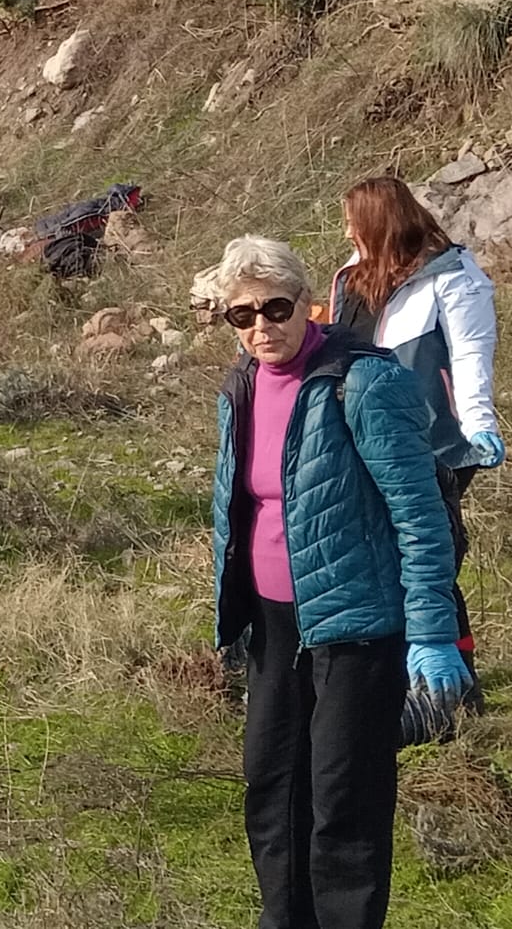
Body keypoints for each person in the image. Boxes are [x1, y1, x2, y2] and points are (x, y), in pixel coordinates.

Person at [206, 235, 464, 929]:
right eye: (242, 315)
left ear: (306, 303)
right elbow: (240, 503)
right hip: (273, 622)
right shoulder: (242, 385)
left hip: (358, 624)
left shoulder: (363, 381)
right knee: (272, 786)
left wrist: (433, 630)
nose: (262, 327)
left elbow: (419, 514)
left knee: (344, 798)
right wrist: (231, 609)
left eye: (276, 308)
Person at [330, 175, 503, 694]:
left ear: (379, 224)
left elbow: (471, 353)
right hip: (368, 436)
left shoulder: (452, 276)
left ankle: (455, 684)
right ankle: (400, 677)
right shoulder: (353, 278)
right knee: (385, 552)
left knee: (430, 554)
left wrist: (478, 423)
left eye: (354, 222)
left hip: (435, 441)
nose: (347, 232)